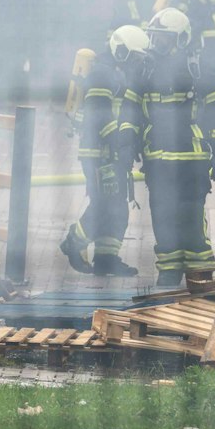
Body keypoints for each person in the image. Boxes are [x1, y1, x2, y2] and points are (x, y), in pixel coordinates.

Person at [132, 7, 215, 289]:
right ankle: (169, 272)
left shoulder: (197, 72)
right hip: (157, 161)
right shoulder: (145, 72)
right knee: (162, 218)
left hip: (192, 161)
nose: (156, 45)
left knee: (191, 219)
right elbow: (132, 111)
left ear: (182, 39)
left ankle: (200, 278)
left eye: (164, 40)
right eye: (154, 38)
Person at [61, 26, 147, 276]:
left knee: (117, 206)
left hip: (112, 153)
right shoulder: (101, 74)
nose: (136, 62)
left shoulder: (116, 72)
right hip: (99, 155)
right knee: (104, 205)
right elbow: (100, 115)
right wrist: (120, 143)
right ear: (121, 51)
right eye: (134, 56)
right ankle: (73, 242)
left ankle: (106, 258)